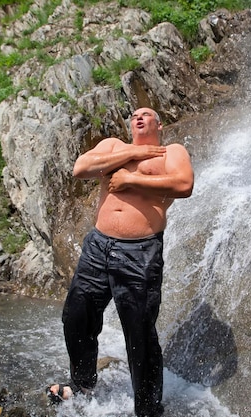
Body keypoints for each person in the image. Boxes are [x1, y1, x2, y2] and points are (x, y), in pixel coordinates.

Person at [47, 107, 194, 417]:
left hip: (140, 252)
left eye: (147, 114)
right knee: (76, 317)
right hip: (98, 246)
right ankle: (83, 383)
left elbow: (184, 185)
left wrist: (131, 180)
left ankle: (149, 410)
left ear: (159, 124)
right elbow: (81, 168)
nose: (138, 117)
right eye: (134, 115)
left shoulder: (171, 151)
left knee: (139, 333)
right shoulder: (114, 145)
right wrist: (127, 156)